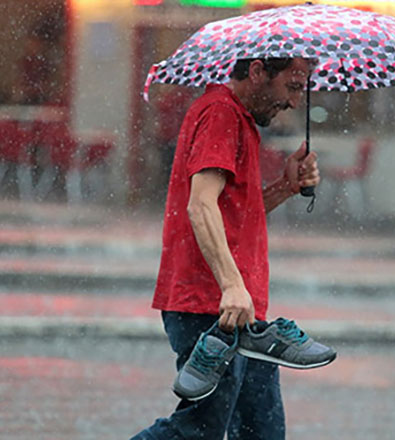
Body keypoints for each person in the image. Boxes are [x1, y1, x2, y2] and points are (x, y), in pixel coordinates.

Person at [132, 57, 320, 439]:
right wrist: (233, 286)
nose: (295, 102)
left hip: (241, 310)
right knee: (198, 430)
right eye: (293, 86)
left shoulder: (239, 120)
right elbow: (200, 204)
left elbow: (235, 214)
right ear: (257, 72)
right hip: (212, 306)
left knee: (261, 431)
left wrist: (287, 186)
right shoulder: (221, 114)